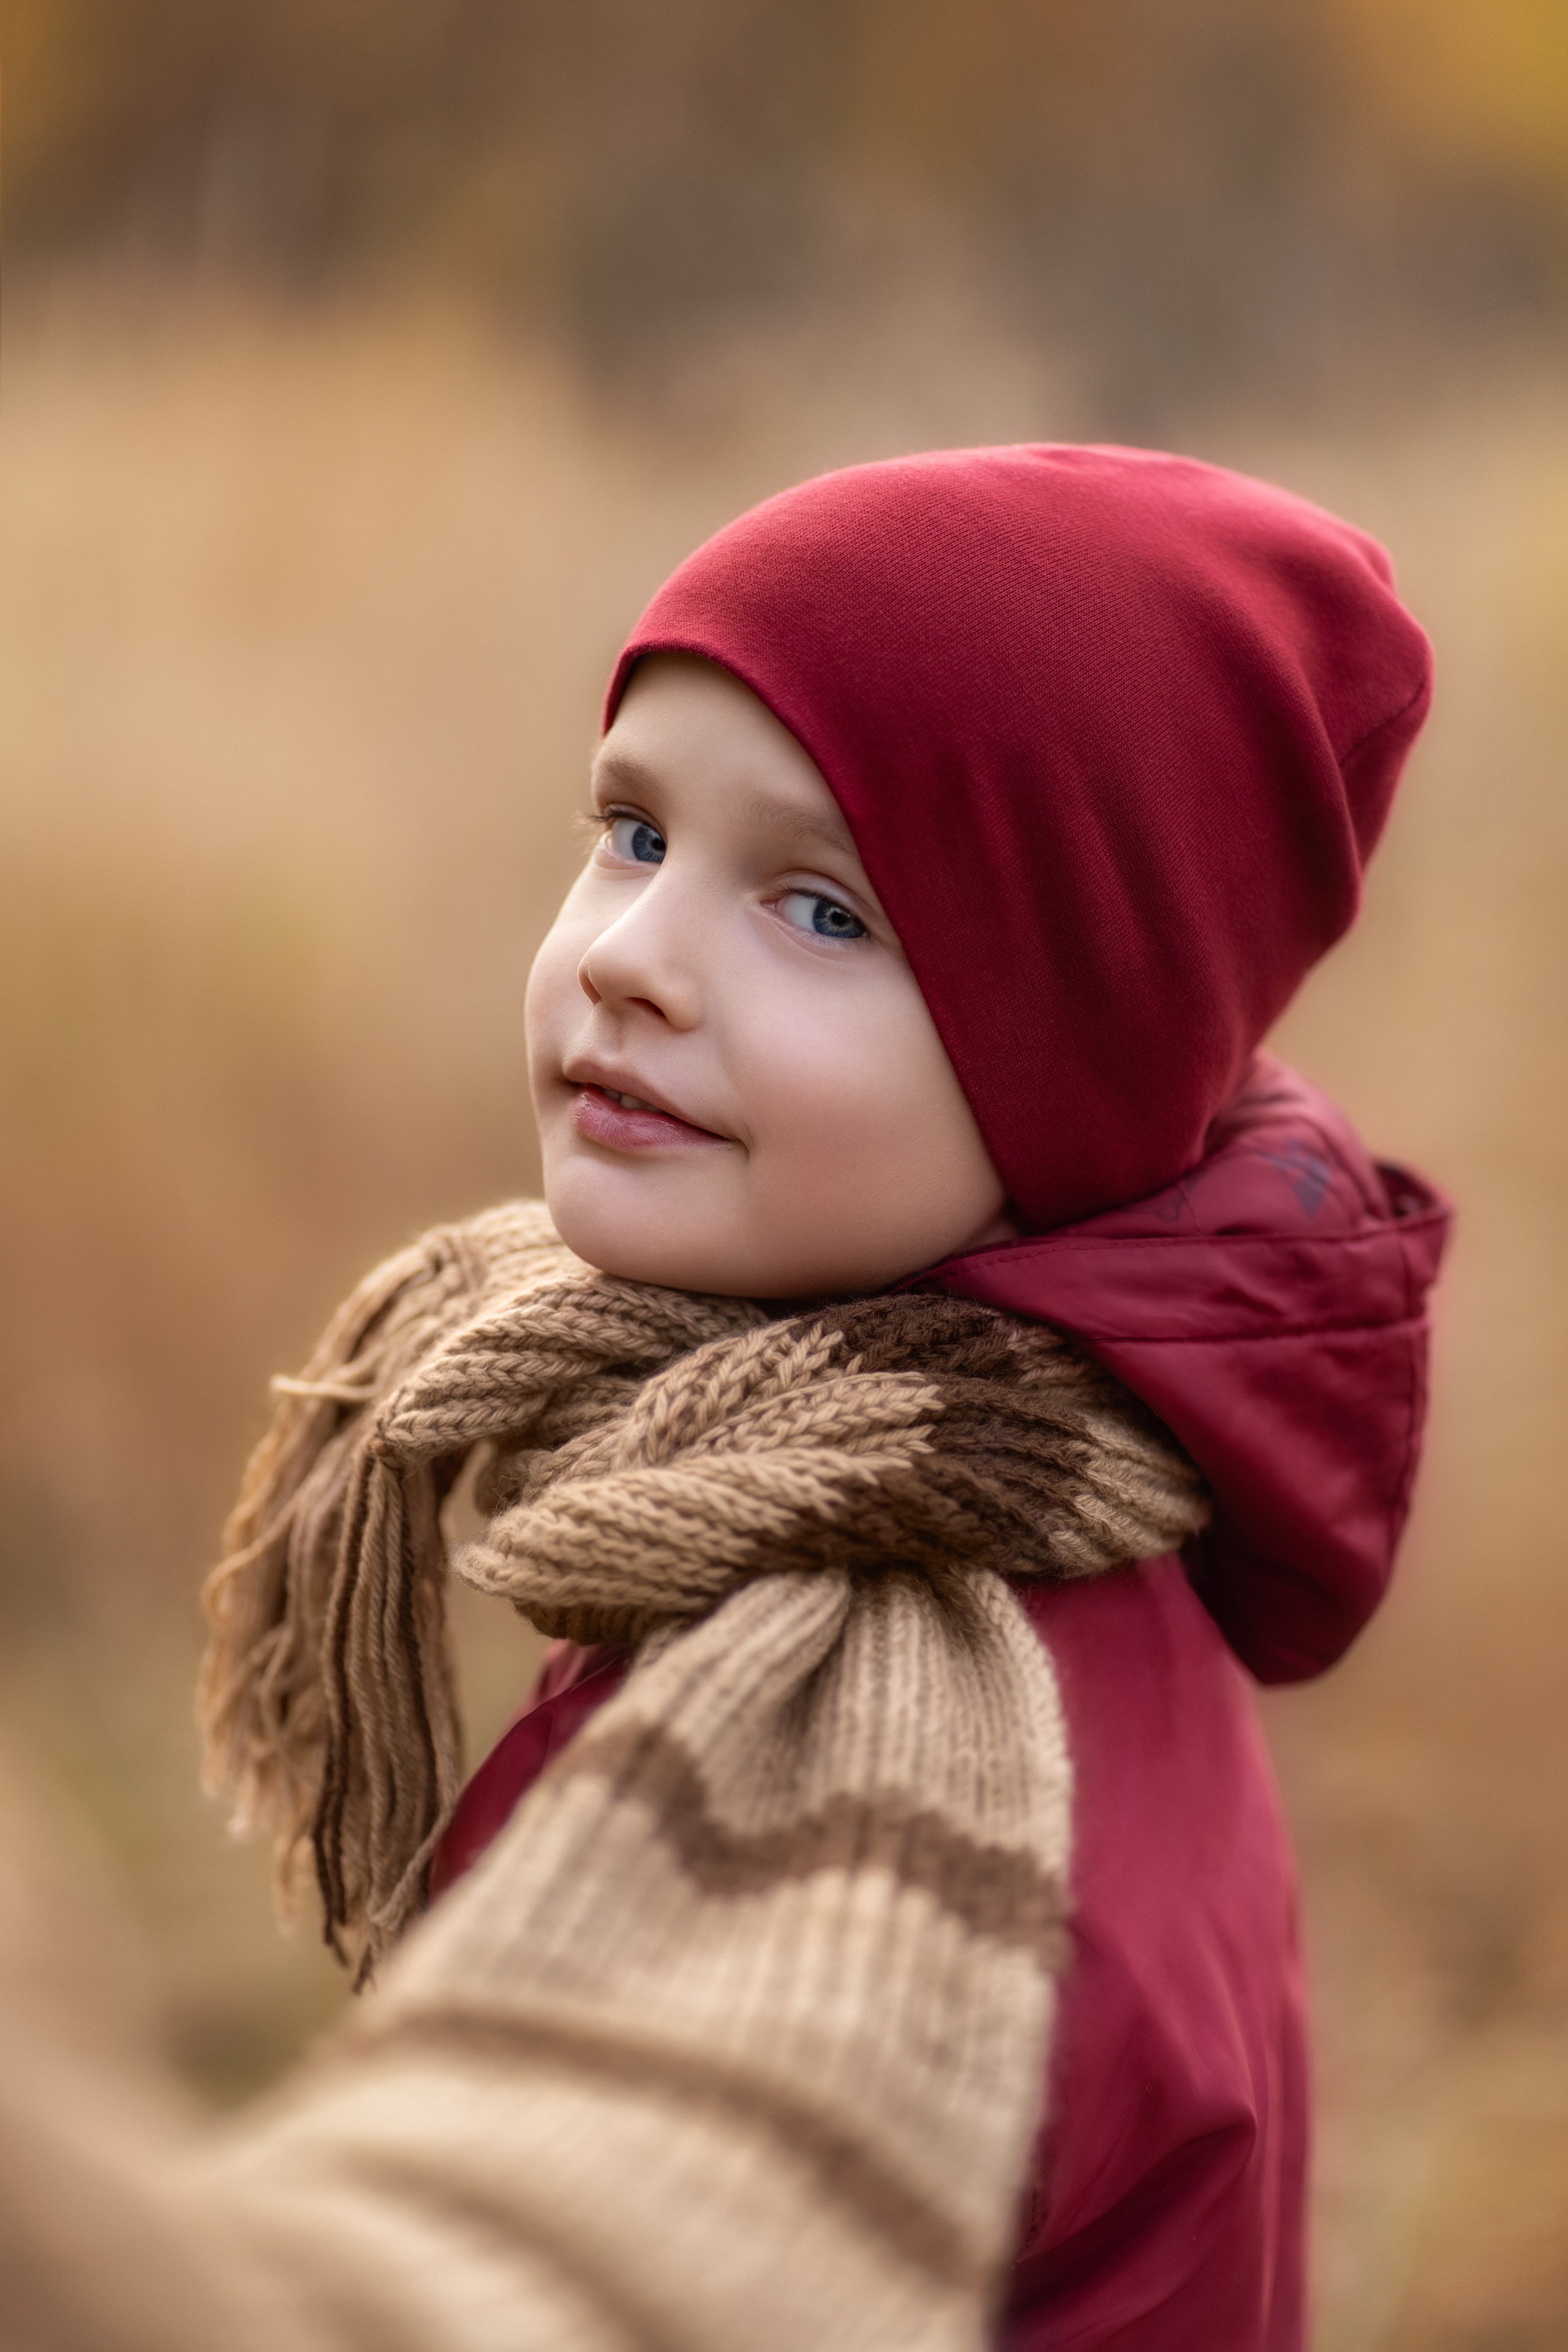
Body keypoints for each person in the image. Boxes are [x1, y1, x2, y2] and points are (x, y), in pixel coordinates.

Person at [4, 445, 1449, 2352]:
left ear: (1077, 1065)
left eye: (825, 911)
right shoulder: (836, 1470)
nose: (627, 957)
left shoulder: (894, 1761)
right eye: (631, 833)